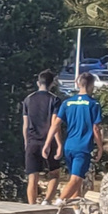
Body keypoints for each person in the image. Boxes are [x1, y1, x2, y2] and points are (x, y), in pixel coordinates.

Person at [44, 71, 103, 205]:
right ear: (91, 85)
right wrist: (100, 147)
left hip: (69, 146)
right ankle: (59, 202)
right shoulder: (94, 104)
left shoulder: (67, 103)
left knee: (75, 178)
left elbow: (55, 124)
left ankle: (76, 208)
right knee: (76, 179)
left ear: (78, 84)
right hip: (82, 146)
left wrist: (47, 144)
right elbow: (96, 128)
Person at [19, 70, 63, 204]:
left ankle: (32, 205)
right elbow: (55, 124)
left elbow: (25, 125)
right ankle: (47, 200)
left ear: (38, 83)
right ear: (52, 84)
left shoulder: (28, 99)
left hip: (32, 141)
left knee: (32, 177)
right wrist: (59, 143)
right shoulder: (54, 99)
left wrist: (26, 142)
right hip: (49, 141)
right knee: (54, 174)